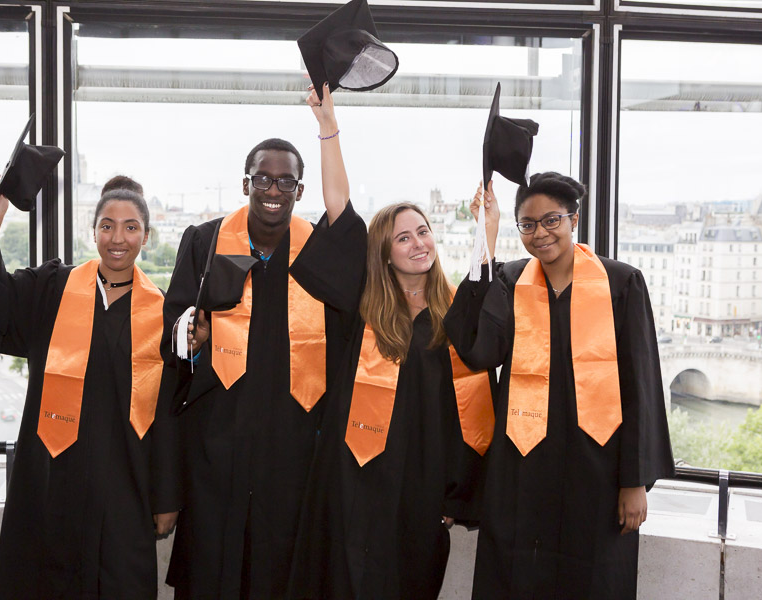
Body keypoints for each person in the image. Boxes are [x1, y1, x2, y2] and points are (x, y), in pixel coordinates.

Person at [287, 84, 495, 600]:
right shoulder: (363, 307)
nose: (418, 243)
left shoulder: (455, 316)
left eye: (422, 232)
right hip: (352, 480)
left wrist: (487, 228)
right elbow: (338, 208)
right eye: (403, 237)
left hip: (421, 493)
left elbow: (468, 408)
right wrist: (328, 127)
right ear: (383, 253)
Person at [0, 175, 181, 599]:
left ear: (147, 234)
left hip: (127, 491)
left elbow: (170, 418)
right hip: (51, 484)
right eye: (107, 225)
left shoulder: (164, 314)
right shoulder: (53, 288)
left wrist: (167, 495)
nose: (117, 238)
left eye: (130, 227)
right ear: (93, 232)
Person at [163, 118, 368, 598]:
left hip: (295, 447)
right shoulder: (205, 241)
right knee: (215, 569)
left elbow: (347, 333)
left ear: (299, 190)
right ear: (246, 183)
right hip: (217, 443)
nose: (272, 189)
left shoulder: (318, 250)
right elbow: (175, 318)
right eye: (262, 178)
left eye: (285, 181)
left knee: (286, 572)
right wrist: (188, 335)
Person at [444, 172, 675, 599]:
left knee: (592, 580)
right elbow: (477, 351)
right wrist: (486, 241)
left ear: (574, 219)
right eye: (527, 224)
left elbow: (640, 385)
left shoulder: (620, 283)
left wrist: (635, 481)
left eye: (552, 220)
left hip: (598, 474)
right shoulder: (511, 282)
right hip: (521, 470)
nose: (540, 233)